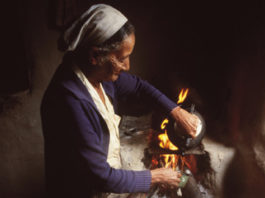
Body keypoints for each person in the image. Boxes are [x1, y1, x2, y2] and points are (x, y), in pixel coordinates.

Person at [41, 4, 199, 198]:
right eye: (122, 58)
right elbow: (101, 177)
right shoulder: (70, 101)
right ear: (95, 55)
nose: (127, 66)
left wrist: (176, 111)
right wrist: (155, 177)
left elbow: (140, 87)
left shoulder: (98, 76)